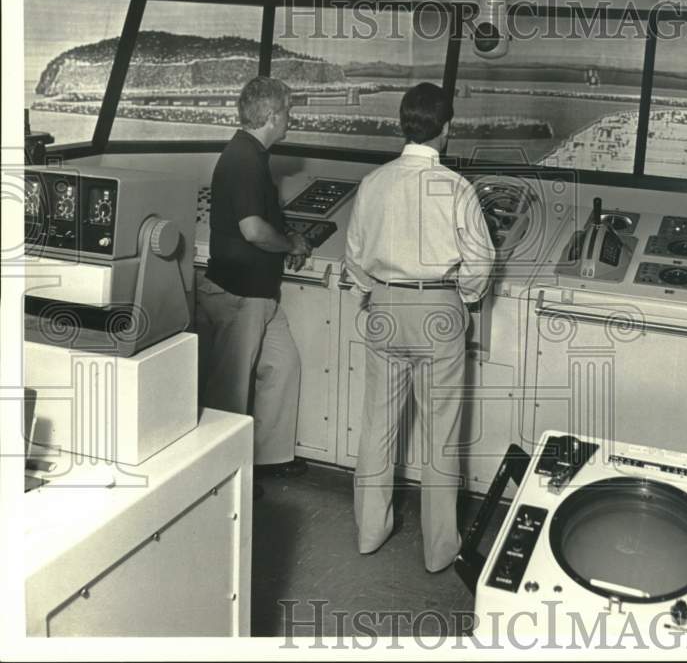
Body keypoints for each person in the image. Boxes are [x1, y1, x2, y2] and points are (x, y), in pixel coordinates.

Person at [344, 82, 495, 573]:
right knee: (441, 435)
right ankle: (438, 549)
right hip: (438, 310)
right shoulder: (455, 188)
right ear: (446, 129)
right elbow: (480, 260)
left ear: (402, 125)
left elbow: (355, 258)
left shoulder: (374, 183)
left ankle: (370, 531)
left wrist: (376, 291)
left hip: (384, 308)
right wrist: (464, 299)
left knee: (377, 428)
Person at [196, 76, 312, 488]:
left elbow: (263, 223)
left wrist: (290, 239)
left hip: (259, 294)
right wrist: (288, 244)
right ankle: (220, 479)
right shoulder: (243, 159)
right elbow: (254, 231)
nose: (290, 121)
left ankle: (267, 458)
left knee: (283, 366)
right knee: (228, 392)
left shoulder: (252, 157)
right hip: (239, 294)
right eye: (288, 112)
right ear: (272, 115)